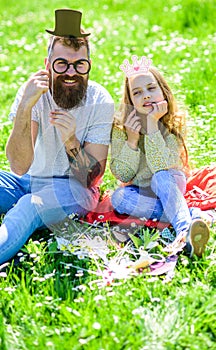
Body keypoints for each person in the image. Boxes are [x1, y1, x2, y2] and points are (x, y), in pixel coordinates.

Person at [0, 9, 114, 264]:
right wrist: (24, 109)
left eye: (79, 64)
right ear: (47, 64)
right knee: (28, 196)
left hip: (73, 189)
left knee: (31, 205)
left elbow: (91, 179)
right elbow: (19, 166)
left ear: (89, 66)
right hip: (28, 180)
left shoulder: (100, 100)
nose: (70, 72)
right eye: (61, 64)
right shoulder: (31, 93)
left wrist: (71, 140)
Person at [110, 55, 209, 257]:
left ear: (162, 91)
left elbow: (161, 166)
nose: (146, 95)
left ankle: (183, 231)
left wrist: (153, 125)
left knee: (159, 177)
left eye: (151, 88)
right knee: (118, 198)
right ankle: (189, 215)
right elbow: (122, 174)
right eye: (137, 92)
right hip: (140, 191)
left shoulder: (171, 122)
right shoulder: (122, 128)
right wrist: (131, 140)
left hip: (170, 181)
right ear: (130, 100)